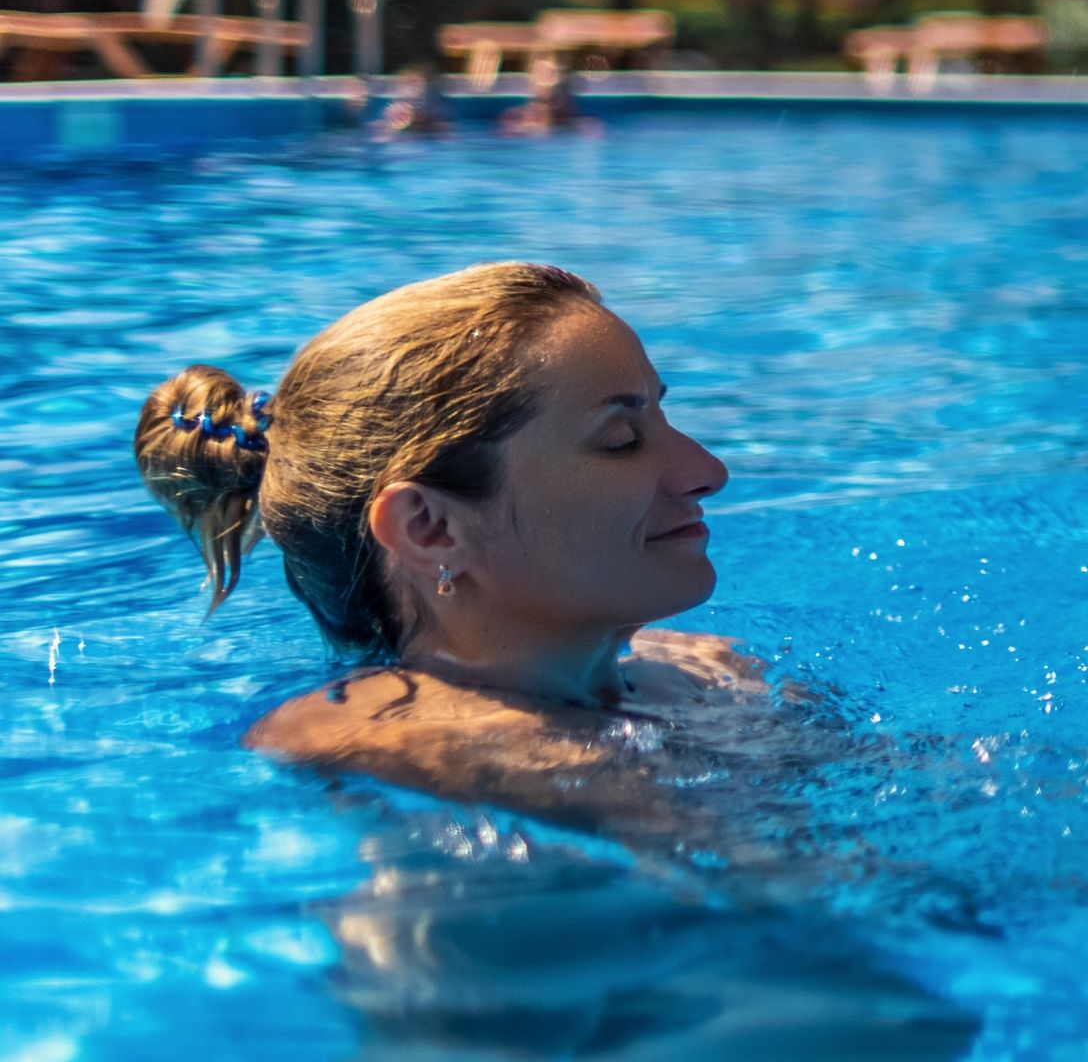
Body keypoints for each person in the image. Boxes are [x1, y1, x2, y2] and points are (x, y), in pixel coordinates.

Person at [133, 262, 752, 826]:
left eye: (662, 419)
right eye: (620, 439)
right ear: (430, 529)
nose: (708, 470)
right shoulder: (393, 747)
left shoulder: (701, 672)